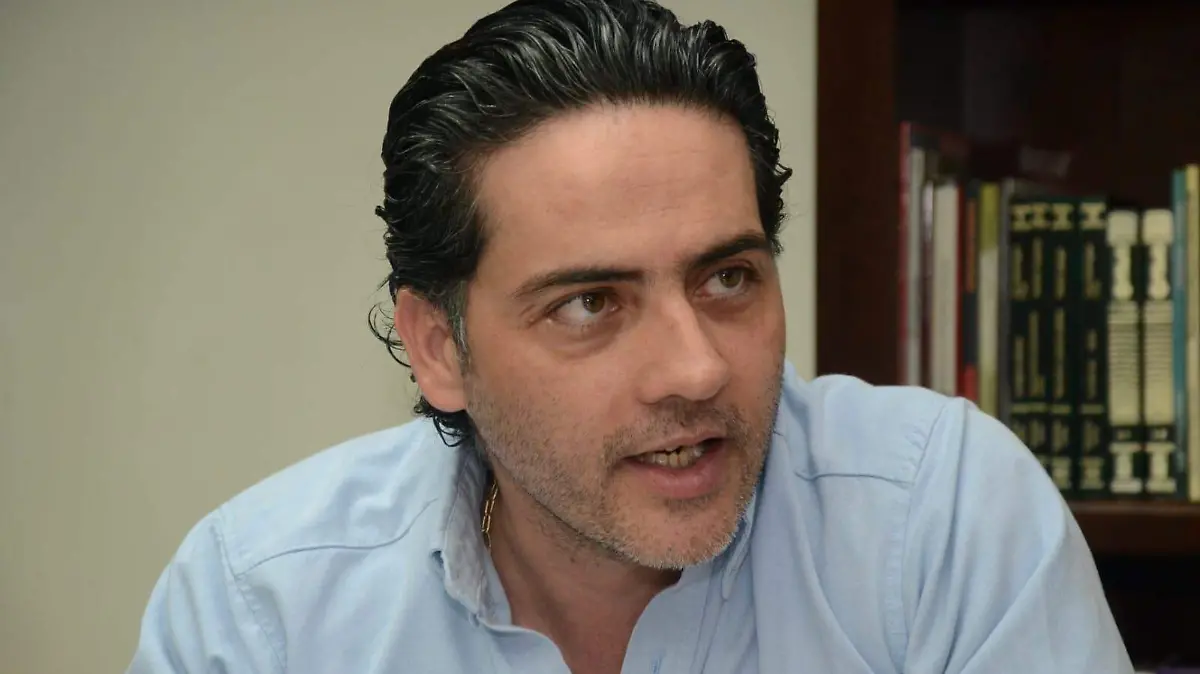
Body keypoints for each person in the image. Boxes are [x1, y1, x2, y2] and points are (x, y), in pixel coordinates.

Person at [126, 0, 1135, 672]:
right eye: (589, 304)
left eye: (728, 278)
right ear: (438, 347)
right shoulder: (261, 610)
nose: (696, 367)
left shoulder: (941, 519)